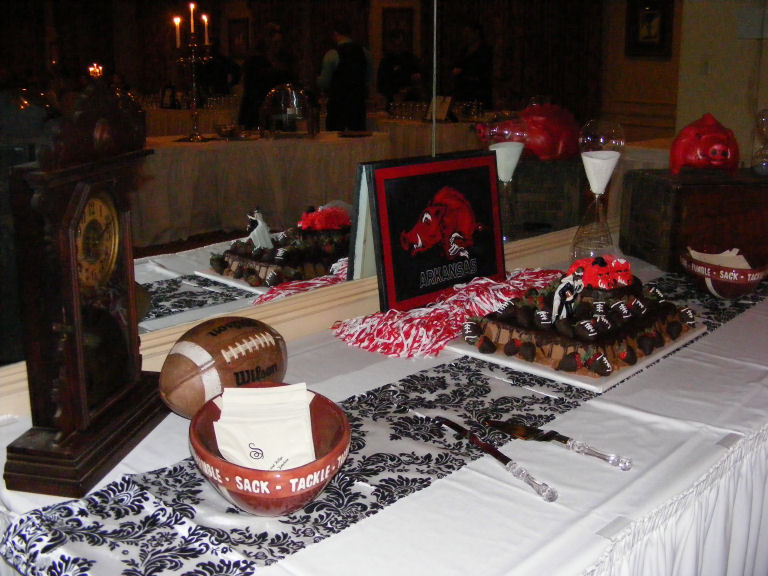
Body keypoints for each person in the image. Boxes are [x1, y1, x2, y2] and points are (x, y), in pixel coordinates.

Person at [317, 19, 373, 131]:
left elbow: (324, 83)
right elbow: (368, 79)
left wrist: (318, 80)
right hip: (357, 107)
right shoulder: (365, 52)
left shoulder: (332, 54)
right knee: (358, 141)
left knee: (335, 142)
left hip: (338, 107)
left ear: (335, 34)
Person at [238, 22, 293, 129]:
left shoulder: (283, 60)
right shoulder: (255, 62)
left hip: (279, 113)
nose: (278, 46)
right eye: (275, 43)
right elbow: (252, 91)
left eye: (279, 43)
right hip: (257, 113)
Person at [450, 21, 493, 109]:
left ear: (476, 33)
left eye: (468, 32)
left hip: (479, 92)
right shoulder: (464, 50)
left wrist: (464, 71)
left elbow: (482, 69)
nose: (465, 35)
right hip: (463, 91)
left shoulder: (485, 50)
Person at [377, 29, 422, 105]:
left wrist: (410, 87)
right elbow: (381, 84)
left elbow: (418, 77)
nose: (397, 47)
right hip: (392, 100)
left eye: (400, 44)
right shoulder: (386, 61)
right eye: (395, 45)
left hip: (410, 100)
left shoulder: (411, 59)